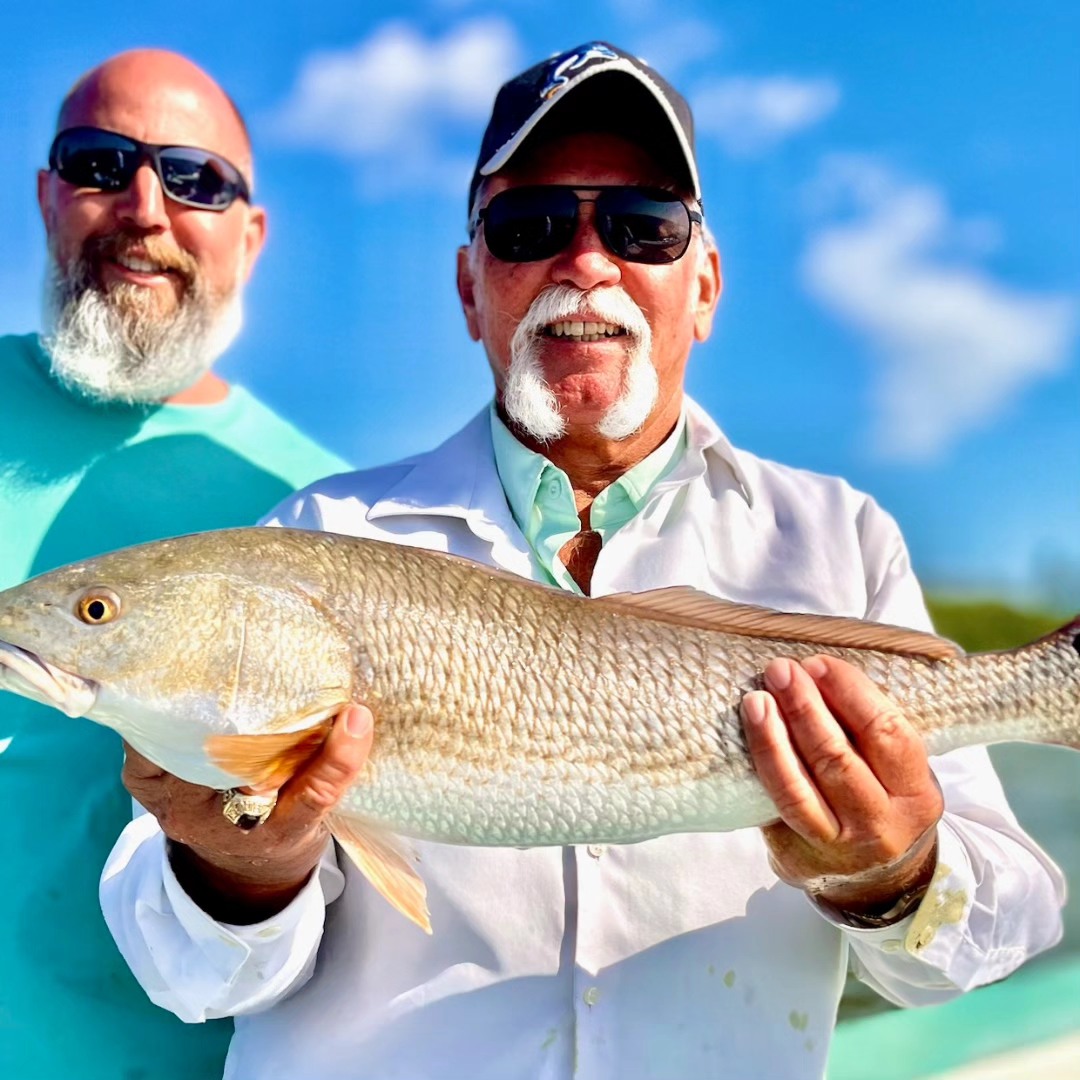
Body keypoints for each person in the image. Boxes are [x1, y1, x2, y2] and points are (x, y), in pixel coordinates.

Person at [102, 42, 1065, 1079]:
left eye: (644, 227)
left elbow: (999, 927)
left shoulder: (844, 538)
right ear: (472, 288)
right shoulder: (312, 539)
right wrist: (240, 876)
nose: (588, 262)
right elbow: (191, 979)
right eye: (532, 227)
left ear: (704, 288)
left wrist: (895, 875)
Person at [0, 49, 349, 1080]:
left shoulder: (335, 512)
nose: (145, 207)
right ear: (47, 194)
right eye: (102, 161)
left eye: (197, 179)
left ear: (253, 232)